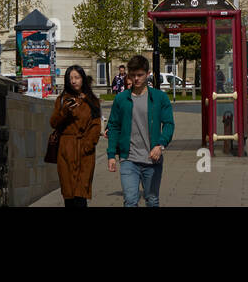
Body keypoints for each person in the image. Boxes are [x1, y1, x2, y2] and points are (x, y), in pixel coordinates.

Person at [106, 55, 175, 207]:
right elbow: (113, 126)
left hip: (152, 159)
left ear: (148, 74)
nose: (136, 79)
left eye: (140, 75)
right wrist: (111, 154)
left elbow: (169, 124)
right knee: (130, 201)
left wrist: (160, 145)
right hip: (128, 159)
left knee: (152, 200)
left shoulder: (159, 97)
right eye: (133, 75)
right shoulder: (121, 99)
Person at [50, 65, 102, 207]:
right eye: (70, 78)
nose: (74, 81)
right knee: (69, 195)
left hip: (85, 152)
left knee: (81, 194)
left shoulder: (92, 101)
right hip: (66, 150)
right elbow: (53, 123)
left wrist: (88, 145)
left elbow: (96, 125)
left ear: (82, 79)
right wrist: (64, 111)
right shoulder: (62, 100)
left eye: (77, 77)